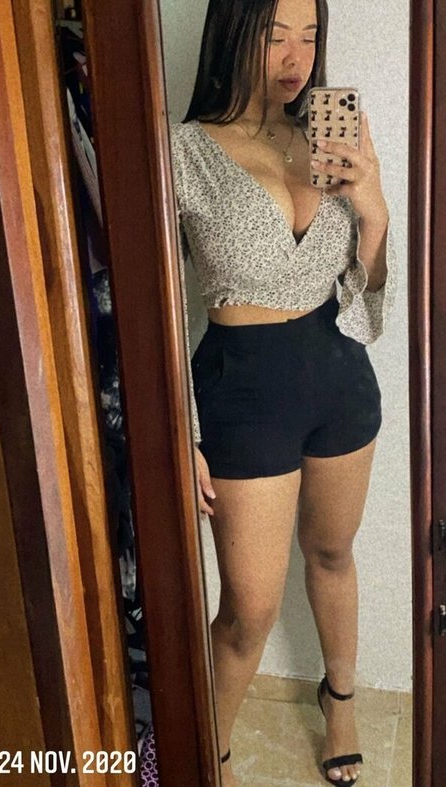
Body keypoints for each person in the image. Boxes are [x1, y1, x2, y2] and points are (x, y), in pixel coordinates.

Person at [170, 0, 397, 785]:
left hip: (340, 377)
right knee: (248, 612)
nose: (297, 57)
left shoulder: (329, 137)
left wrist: (374, 211)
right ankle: (209, 753)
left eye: (310, 35)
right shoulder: (181, 152)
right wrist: (178, 427)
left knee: (333, 553)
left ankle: (341, 700)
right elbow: (153, 302)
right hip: (242, 391)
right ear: (235, 32)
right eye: (275, 36)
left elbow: (366, 296)